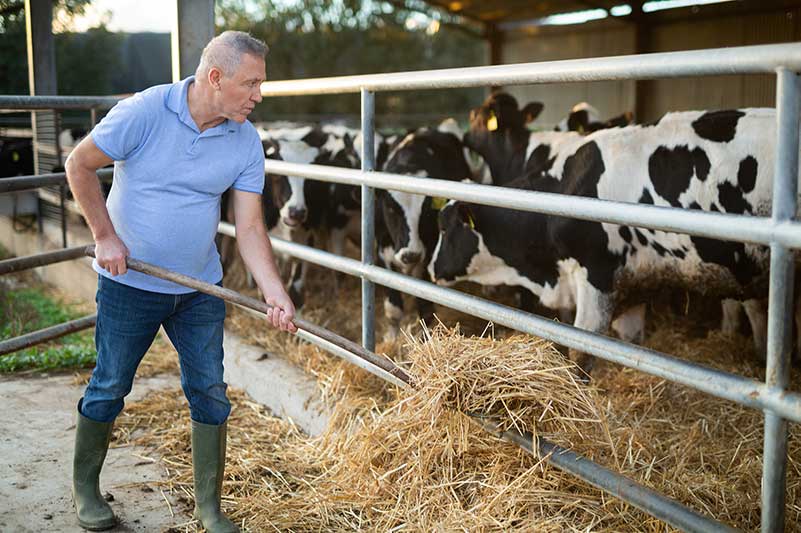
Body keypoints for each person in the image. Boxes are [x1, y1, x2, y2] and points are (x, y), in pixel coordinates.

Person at [65, 31, 296, 533]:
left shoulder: (245, 139)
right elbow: (78, 165)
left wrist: (274, 291)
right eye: (251, 83)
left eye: (261, 83)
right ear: (216, 77)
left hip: (200, 291)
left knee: (210, 391)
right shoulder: (144, 112)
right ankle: (86, 489)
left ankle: (209, 508)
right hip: (130, 283)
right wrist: (104, 237)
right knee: (110, 385)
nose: (259, 94)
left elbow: (251, 227)